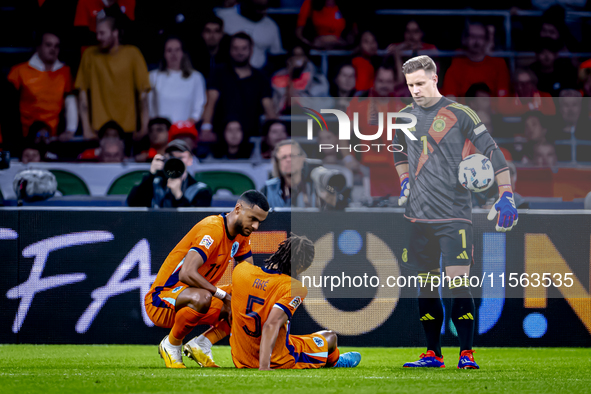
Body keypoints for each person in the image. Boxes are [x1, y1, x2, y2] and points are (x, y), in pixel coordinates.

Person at [394, 55, 517, 369]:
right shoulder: (404, 117)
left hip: (454, 215)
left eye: (420, 83)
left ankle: (466, 353)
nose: (415, 91)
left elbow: (493, 151)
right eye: (410, 85)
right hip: (417, 217)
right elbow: (398, 153)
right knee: (425, 284)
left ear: (435, 79)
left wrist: (506, 195)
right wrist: (405, 180)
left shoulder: (460, 113)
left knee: (458, 282)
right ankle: (433, 353)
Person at [144, 190, 269, 368]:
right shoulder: (212, 229)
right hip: (161, 300)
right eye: (253, 219)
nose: (256, 226)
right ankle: (171, 344)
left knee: (251, 298)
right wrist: (224, 296)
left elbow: (249, 276)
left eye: (260, 222)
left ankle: (202, 344)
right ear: (238, 208)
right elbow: (186, 273)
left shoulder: (242, 235)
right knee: (203, 297)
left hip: (197, 297)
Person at [229, 234, 361, 370]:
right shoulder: (293, 287)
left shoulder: (241, 270)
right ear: (302, 265)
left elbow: (227, 301)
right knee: (330, 337)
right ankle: (334, 362)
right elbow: (271, 324)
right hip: (276, 359)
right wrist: (264, 367)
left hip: (241, 358)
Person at [75, 17, 151, 145]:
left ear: (115, 32)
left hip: (127, 129)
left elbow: (143, 95)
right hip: (99, 130)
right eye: (97, 33)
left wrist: (144, 127)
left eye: (102, 33)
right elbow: (82, 94)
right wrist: (86, 129)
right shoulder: (90, 55)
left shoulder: (132, 53)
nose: (98, 37)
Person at [201, 32, 276, 142]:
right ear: (230, 50)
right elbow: (211, 102)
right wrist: (206, 128)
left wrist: (275, 129)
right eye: (235, 48)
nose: (239, 52)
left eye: (243, 48)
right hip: (221, 137)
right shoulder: (218, 73)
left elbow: (268, 106)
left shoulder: (261, 77)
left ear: (251, 50)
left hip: (251, 136)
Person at [7, 32, 77, 141]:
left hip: (54, 137)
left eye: (56, 46)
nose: (53, 49)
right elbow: (7, 105)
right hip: (25, 137)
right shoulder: (19, 71)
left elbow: (70, 101)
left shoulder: (65, 72)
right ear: (38, 47)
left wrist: (70, 130)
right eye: (48, 45)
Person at [126, 139, 212, 208]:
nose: (175, 161)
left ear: (190, 160)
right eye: (171, 157)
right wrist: (151, 175)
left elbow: (197, 222)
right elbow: (133, 205)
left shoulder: (201, 190)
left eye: (180, 157)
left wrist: (179, 196)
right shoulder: (154, 182)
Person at [442, 22, 511, 97]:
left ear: (486, 40)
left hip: (491, 108)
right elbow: (450, 97)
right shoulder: (456, 65)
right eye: (472, 36)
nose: (476, 41)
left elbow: (503, 97)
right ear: (465, 39)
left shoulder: (498, 64)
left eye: (480, 37)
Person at [148, 37, 206, 124]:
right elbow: (149, 106)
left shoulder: (196, 77)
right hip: (161, 131)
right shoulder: (153, 76)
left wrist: (187, 124)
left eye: (177, 50)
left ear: (183, 53)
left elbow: (199, 106)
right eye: (169, 50)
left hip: (185, 130)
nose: (173, 54)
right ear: (164, 54)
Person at [215, 0, 284, 69]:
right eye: (257, 7)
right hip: (226, 71)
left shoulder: (271, 26)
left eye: (263, 8)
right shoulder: (223, 16)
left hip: (258, 74)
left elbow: (275, 56)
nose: (260, 11)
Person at [270, 44, 329, 114]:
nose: (297, 59)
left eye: (300, 55)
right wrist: (291, 73)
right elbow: (286, 103)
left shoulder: (317, 78)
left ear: (306, 58)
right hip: (285, 116)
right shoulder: (278, 77)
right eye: (294, 55)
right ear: (289, 59)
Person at [192, 15, 231, 79]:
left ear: (222, 34)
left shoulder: (229, 58)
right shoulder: (194, 57)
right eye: (208, 31)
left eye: (216, 31)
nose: (212, 35)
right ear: (202, 34)